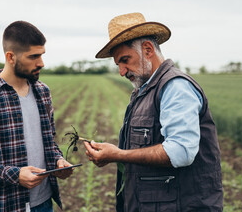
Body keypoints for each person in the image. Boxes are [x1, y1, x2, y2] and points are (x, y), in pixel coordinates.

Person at [84, 12, 223, 212]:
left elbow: (181, 152)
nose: (122, 71)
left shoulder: (175, 87)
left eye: (125, 60)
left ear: (148, 49)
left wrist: (119, 155)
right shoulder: (145, 89)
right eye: (118, 65)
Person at [0, 21, 73, 212]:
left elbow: (48, 142)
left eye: (42, 55)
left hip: (44, 203)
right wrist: (15, 175)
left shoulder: (43, 92)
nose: (41, 63)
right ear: (10, 57)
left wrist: (58, 161)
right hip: (5, 206)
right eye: (33, 56)